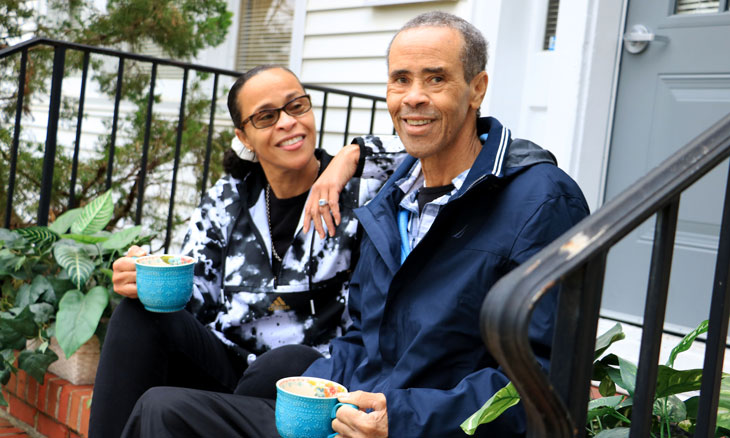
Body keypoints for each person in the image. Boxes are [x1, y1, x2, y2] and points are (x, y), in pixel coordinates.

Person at [119, 11, 591, 438]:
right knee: (163, 409)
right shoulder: (393, 200)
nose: (414, 97)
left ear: (477, 88)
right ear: (243, 136)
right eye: (400, 80)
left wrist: (400, 416)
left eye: (436, 79)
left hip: (416, 426)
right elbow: (364, 335)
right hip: (349, 410)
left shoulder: (541, 200)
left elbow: (548, 376)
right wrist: (322, 380)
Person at [88, 65, 405, 438]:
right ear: (244, 137)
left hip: (309, 379)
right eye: (267, 117)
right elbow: (195, 298)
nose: (288, 122)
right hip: (225, 365)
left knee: (281, 364)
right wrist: (145, 277)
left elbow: (430, 147)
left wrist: (351, 157)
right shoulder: (228, 198)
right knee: (137, 313)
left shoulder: (360, 191)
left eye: (297, 107)